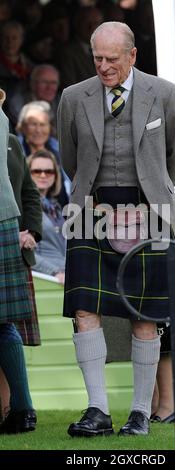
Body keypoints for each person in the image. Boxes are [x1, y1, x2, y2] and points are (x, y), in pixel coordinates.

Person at [57, 21, 175, 438]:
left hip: (150, 213)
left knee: (146, 314)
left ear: (132, 55)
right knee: (85, 310)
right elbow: (70, 157)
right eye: (97, 59)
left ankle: (140, 413)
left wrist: (149, 196)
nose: (104, 67)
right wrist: (97, 198)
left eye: (112, 60)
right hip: (89, 210)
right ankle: (97, 410)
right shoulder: (73, 97)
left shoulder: (165, 94)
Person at [0, 88, 38, 433]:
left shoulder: (7, 131)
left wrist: (33, 230)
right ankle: (23, 409)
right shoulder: (2, 124)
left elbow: (28, 190)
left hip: (4, 224)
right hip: (4, 224)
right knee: (4, 324)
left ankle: (22, 409)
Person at [27, 149, 66, 283]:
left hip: (66, 277)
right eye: (37, 171)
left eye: (49, 171)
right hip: (45, 280)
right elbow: (25, 252)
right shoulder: (23, 208)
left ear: (55, 175)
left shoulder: (56, 208)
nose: (43, 175)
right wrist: (54, 272)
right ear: (27, 174)